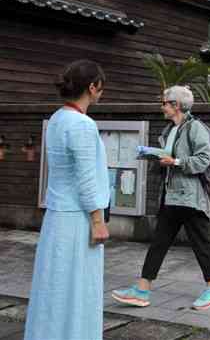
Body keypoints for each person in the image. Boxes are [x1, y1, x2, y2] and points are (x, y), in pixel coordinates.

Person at [112, 85, 210, 311]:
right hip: (171, 195)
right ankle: (142, 290)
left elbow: (203, 160)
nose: (162, 107)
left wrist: (176, 162)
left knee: (201, 244)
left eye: (164, 103)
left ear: (177, 105)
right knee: (159, 243)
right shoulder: (170, 129)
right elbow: (171, 157)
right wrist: (157, 157)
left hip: (190, 198)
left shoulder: (195, 128)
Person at [24, 60, 110, 340]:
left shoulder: (57, 119)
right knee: (78, 287)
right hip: (77, 219)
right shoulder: (82, 125)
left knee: (54, 286)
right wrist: (98, 221)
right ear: (92, 87)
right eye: (100, 87)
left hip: (57, 215)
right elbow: (86, 179)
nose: (101, 92)